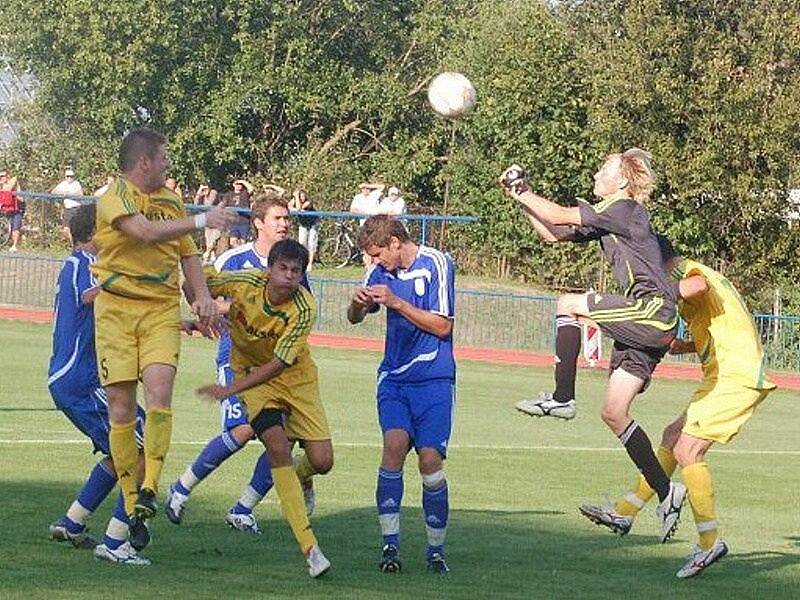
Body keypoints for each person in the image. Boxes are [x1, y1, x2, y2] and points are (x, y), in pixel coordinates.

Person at [499, 150, 686, 543]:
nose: (597, 173)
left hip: (650, 310)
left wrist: (521, 189)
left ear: (621, 181)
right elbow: (552, 232)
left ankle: (563, 396)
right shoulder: (610, 218)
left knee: (567, 304)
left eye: (605, 169)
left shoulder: (624, 208)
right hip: (650, 321)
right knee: (614, 413)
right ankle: (668, 493)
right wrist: (521, 199)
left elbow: (561, 214)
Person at [579, 235, 776, 578]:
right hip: (723, 374)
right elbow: (713, 317)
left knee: (688, 451)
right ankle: (626, 512)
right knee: (673, 436)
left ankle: (708, 542)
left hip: (735, 376)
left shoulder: (689, 272)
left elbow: (697, 286)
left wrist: (664, 294)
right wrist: (680, 344)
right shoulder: (694, 273)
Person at [90, 128, 236, 559]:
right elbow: (145, 233)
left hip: (158, 313)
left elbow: (187, 255)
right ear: (145, 162)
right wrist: (204, 219)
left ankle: (150, 488)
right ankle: (131, 498)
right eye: (165, 158)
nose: (169, 165)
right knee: (120, 408)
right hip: (115, 313)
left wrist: (203, 299)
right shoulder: (112, 197)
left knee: (160, 393)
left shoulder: (172, 202)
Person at [165, 194, 315, 533]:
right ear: (258, 223)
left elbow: (301, 309)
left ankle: (243, 508)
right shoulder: (235, 259)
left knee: (284, 437)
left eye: (287, 219)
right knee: (241, 430)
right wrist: (207, 311)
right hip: (237, 357)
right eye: (277, 218)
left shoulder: (292, 263)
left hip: (277, 365)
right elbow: (194, 283)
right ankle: (181, 487)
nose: (284, 224)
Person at [195, 239, 333, 578]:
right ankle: (310, 548)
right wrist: (201, 309)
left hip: (295, 378)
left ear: (302, 275)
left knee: (322, 462)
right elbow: (197, 278)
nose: (288, 277)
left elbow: (278, 365)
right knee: (276, 445)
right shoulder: (245, 281)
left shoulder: (305, 308)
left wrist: (228, 390)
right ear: (269, 269)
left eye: (295, 271)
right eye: (282, 269)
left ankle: (302, 479)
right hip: (251, 376)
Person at [347, 215, 456, 575]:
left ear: (395, 241)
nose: (376, 262)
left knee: (428, 460)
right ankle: (390, 545)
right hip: (394, 379)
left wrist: (397, 304)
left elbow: (443, 326)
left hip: (434, 380)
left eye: (379, 254)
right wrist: (358, 304)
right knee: (393, 446)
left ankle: (435, 550)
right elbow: (354, 319)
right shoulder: (379, 271)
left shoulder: (437, 263)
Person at [46, 204, 150, 565]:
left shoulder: (88, 266)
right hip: (81, 379)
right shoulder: (79, 264)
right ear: (95, 234)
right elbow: (92, 295)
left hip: (78, 379)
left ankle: (73, 521)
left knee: (118, 451)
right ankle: (117, 541)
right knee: (142, 448)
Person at [288, 188, 320, 271]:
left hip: (313, 223)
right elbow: (288, 206)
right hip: (303, 224)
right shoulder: (296, 200)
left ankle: (310, 263)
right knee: (302, 243)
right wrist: (295, 198)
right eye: (300, 196)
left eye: (303, 196)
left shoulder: (308, 202)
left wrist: (296, 198)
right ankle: (302, 261)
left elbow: (299, 208)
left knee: (312, 244)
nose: (302, 198)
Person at [51, 167, 84, 244]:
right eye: (68, 176)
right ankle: (75, 244)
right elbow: (53, 192)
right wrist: (62, 193)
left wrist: (70, 194)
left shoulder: (76, 184)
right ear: (65, 177)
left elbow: (80, 194)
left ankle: (76, 244)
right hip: (67, 209)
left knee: (73, 228)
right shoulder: (63, 184)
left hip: (76, 208)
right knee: (66, 229)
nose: (69, 178)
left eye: (71, 176)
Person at [194, 185, 225, 263]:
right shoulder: (203, 195)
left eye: (206, 188)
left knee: (213, 239)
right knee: (208, 240)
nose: (205, 190)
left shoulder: (214, 193)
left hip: (217, 220)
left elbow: (209, 204)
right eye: (204, 189)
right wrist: (199, 191)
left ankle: (206, 254)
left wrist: (204, 194)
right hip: (208, 221)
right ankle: (212, 257)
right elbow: (195, 203)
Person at [0, 169, 22, 251]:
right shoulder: (2, 185)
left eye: (2, 176)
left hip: (17, 207)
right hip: (6, 207)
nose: (1, 178)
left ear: (8, 176)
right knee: (7, 226)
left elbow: (8, 189)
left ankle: (14, 246)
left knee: (15, 226)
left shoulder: (13, 180)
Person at [228, 179, 254, 247]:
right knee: (233, 242)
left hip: (244, 221)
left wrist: (242, 181)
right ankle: (237, 253)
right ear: (233, 185)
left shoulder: (245, 193)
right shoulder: (229, 194)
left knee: (243, 242)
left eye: (240, 185)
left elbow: (251, 188)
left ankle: (241, 255)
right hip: (233, 222)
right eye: (237, 184)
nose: (239, 186)